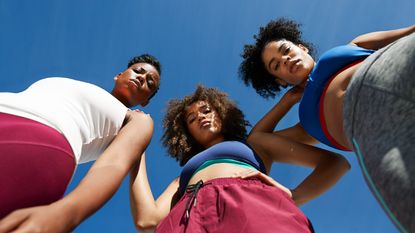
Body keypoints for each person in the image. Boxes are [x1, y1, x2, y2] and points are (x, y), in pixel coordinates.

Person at [239, 18, 415, 232]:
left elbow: (409, 32)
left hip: (398, 68)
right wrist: (286, 102)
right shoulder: (307, 125)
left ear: (301, 48)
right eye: (276, 65)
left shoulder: (354, 46)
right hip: (383, 140)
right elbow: (257, 139)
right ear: (280, 81)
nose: (285, 59)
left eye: (286, 50)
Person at [129, 85, 349, 232]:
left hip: (250, 204)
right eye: (192, 119)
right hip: (188, 216)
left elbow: (333, 161)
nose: (201, 118)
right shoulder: (182, 179)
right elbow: (147, 220)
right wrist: (136, 148)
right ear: (186, 134)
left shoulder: (255, 144)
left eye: (206, 110)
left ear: (222, 114)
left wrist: (295, 195)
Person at [0, 54, 161, 233]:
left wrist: (64, 214)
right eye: (138, 71)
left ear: (146, 101)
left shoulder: (137, 119)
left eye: (150, 83)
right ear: (119, 75)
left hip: (39, 139)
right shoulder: (79, 86)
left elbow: (115, 164)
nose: (141, 78)